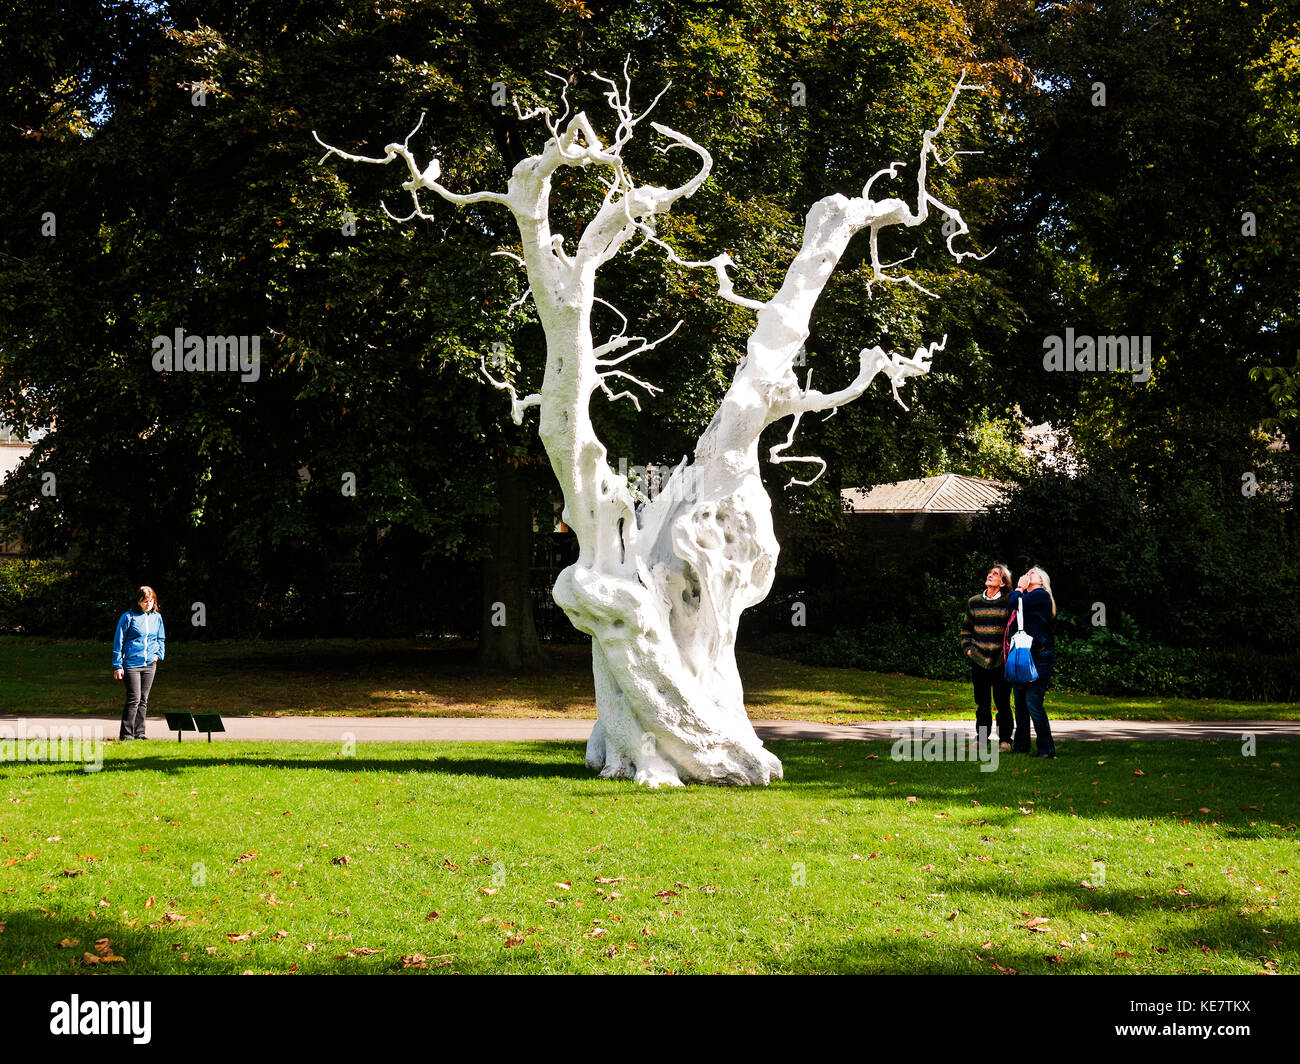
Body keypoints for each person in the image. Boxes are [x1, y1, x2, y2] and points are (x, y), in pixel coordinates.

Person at [959, 562, 1015, 751]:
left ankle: (1005, 740)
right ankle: (981, 740)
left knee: (1002, 703)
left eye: (995, 574)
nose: (990, 575)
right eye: (989, 573)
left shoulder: (1008, 602)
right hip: (978, 660)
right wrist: (968, 649)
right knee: (982, 704)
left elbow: (1014, 629)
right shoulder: (974, 602)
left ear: (1002, 582)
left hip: (1001, 661)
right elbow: (966, 629)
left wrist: (1008, 654)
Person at [1007, 566, 1056, 758]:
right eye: (1026, 572)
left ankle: (1046, 749)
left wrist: (1019, 587)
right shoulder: (1027, 599)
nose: (1028, 574)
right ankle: (1021, 745)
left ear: (1042, 581)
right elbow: (1015, 603)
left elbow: (1013, 601)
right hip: (1024, 654)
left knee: (1033, 702)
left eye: (1032, 573)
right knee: (1020, 702)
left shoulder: (1041, 595)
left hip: (1040, 656)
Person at [112, 586, 166, 741]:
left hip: (150, 664)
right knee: (134, 698)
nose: (148, 604)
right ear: (138, 602)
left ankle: (140, 734)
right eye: (145, 601)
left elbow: (160, 638)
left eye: (151, 601)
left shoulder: (157, 617)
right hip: (131, 664)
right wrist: (118, 665)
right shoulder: (128, 617)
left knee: (143, 699)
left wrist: (158, 655)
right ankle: (126, 735)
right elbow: (119, 641)